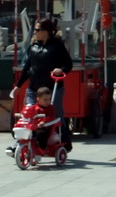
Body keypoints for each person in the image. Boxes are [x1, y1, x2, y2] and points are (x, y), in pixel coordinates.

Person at [10, 17, 73, 151]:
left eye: (38, 30)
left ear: (47, 32)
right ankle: (21, 144)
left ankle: (65, 143)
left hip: (52, 88)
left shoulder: (57, 46)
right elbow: (27, 67)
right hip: (34, 89)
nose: (35, 32)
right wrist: (18, 85)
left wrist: (60, 70)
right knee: (27, 115)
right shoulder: (33, 46)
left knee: (56, 115)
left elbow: (68, 64)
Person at [20, 86, 61, 151]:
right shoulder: (34, 108)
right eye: (45, 100)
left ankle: (41, 149)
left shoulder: (51, 108)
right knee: (24, 134)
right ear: (38, 100)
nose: (48, 101)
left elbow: (51, 117)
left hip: (45, 127)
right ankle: (16, 148)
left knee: (41, 134)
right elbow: (29, 115)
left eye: (49, 99)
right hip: (34, 126)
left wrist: (44, 121)